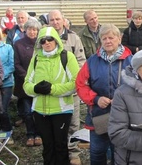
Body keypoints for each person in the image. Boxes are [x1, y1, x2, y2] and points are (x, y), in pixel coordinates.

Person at [76, 24, 133, 165]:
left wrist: (123, 99)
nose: (107, 41)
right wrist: (96, 99)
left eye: (111, 38)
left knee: (119, 153)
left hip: (124, 116)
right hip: (98, 116)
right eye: (104, 38)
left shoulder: (132, 61)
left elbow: (138, 86)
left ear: (119, 39)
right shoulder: (92, 61)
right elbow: (80, 84)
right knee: (97, 152)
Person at [23, 26, 80, 165]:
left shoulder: (67, 57)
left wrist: (52, 89)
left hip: (61, 110)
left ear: (56, 40)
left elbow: (75, 84)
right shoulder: (36, 58)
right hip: (40, 111)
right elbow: (26, 85)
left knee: (60, 146)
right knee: (47, 147)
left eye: (50, 39)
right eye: (43, 40)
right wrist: (36, 88)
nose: (47, 42)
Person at [48, 9, 86, 165]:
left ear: (63, 20)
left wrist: (69, 78)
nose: (55, 22)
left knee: (73, 123)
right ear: (48, 22)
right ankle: (58, 153)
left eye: (58, 19)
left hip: (71, 91)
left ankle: (73, 153)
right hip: (52, 92)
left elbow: (81, 61)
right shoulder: (45, 39)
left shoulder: (73, 38)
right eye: (52, 20)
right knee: (54, 125)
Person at [13, 19, 43, 147]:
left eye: (35, 30)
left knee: (39, 111)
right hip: (24, 83)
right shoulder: (18, 44)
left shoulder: (42, 44)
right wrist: (27, 77)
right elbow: (16, 63)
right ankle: (30, 134)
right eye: (30, 29)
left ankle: (39, 134)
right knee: (27, 112)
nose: (32, 32)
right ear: (25, 30)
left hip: (40, 82)